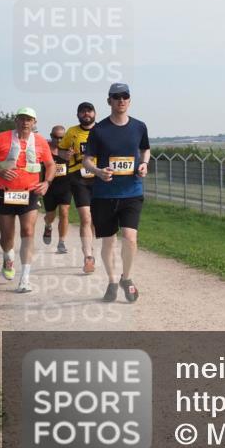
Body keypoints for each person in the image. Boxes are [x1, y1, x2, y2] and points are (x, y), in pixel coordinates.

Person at [83, 84, 150, 303]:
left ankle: (127, 278)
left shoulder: (139, 127)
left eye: (125, 96)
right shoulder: (98, 130)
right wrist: (98, 172)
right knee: (109, 242)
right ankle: (112, 280)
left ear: (129, 100)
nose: (121, 100)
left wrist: (144, 164)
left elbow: (145, 149)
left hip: (131, 191)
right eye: (116, 97)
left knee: (130, 238)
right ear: (109, 101)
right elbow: (87, 160)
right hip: (104, 194)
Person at [0, 108, 56, 293]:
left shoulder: (40, 142)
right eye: (22, 119)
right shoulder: (0, 138)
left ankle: (25, 278)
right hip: (4, 192)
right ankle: (8, 257)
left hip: (30, 193)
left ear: (34, 122)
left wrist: (47, 182)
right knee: (7, 237)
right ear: (16, 121)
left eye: (29, 119)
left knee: (28, 231)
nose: (25, 122)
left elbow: (50, 164)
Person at [61, 102, 99, 274]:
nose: (86, 114)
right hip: (78, 177)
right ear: (78, 114)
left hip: (99, 177)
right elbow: (60, 151)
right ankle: (88, 257)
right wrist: (65, 155)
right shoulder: (72, 132)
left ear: (94, 113)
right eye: (82, 111)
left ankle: (91, 246)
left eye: (89, 111)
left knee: (95, 220)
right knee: (85, 217)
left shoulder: (103, 130)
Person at [41, 125, 72, 254]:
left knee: (64, 212)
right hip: (49, 186)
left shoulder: (69, 150)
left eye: (61, 137)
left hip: (65, 186)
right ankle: (48, 226)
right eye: (55, 137)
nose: (58, 140)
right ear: (51, 135)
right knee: (50, 215)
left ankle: (61, 242)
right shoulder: (45, 149)